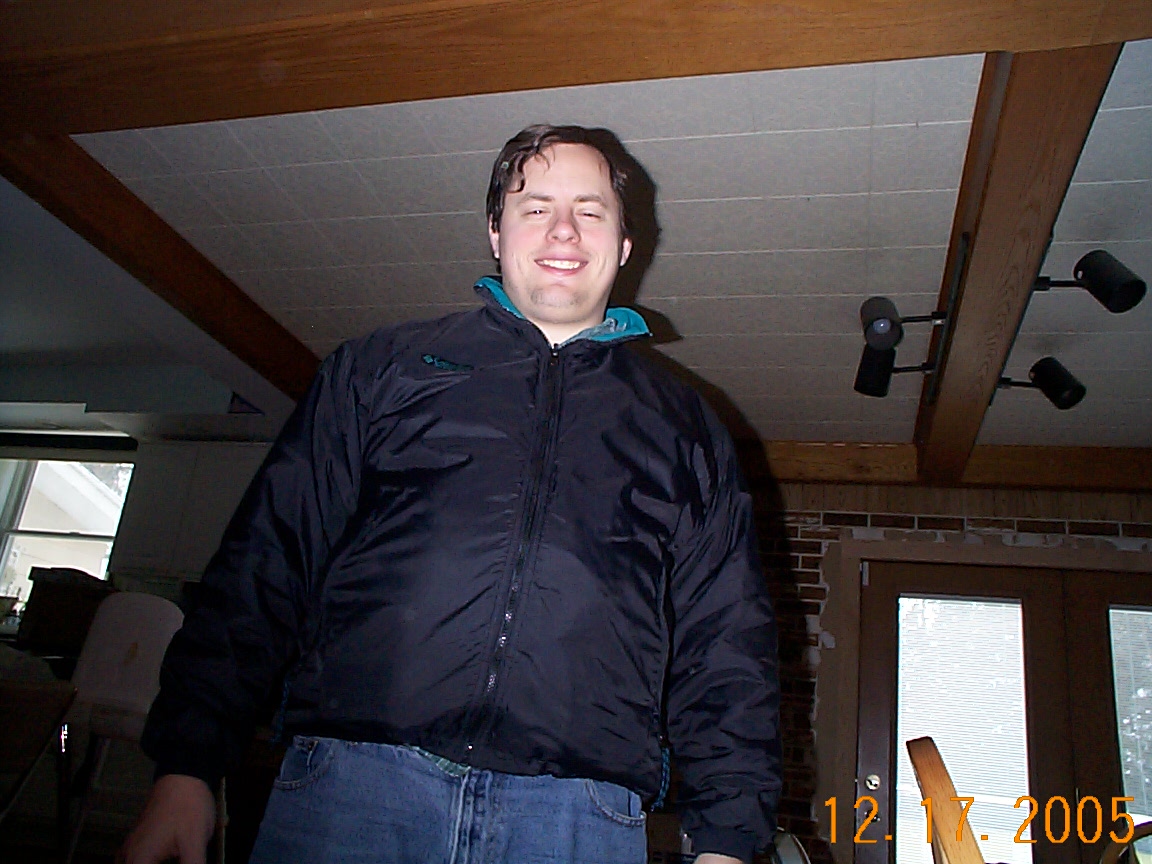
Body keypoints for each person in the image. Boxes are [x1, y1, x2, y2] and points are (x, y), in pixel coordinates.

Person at [122, 124, 781, 864]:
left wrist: (727, 838)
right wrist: (187, 761)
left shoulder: (687, 426)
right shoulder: (378, 371)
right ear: (495, 233)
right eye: (536, 207)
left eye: (591, 211)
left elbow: (726, 640)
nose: (563, 229)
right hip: (350, 789)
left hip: (577, 816)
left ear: (626, 246)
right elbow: (266, 561)